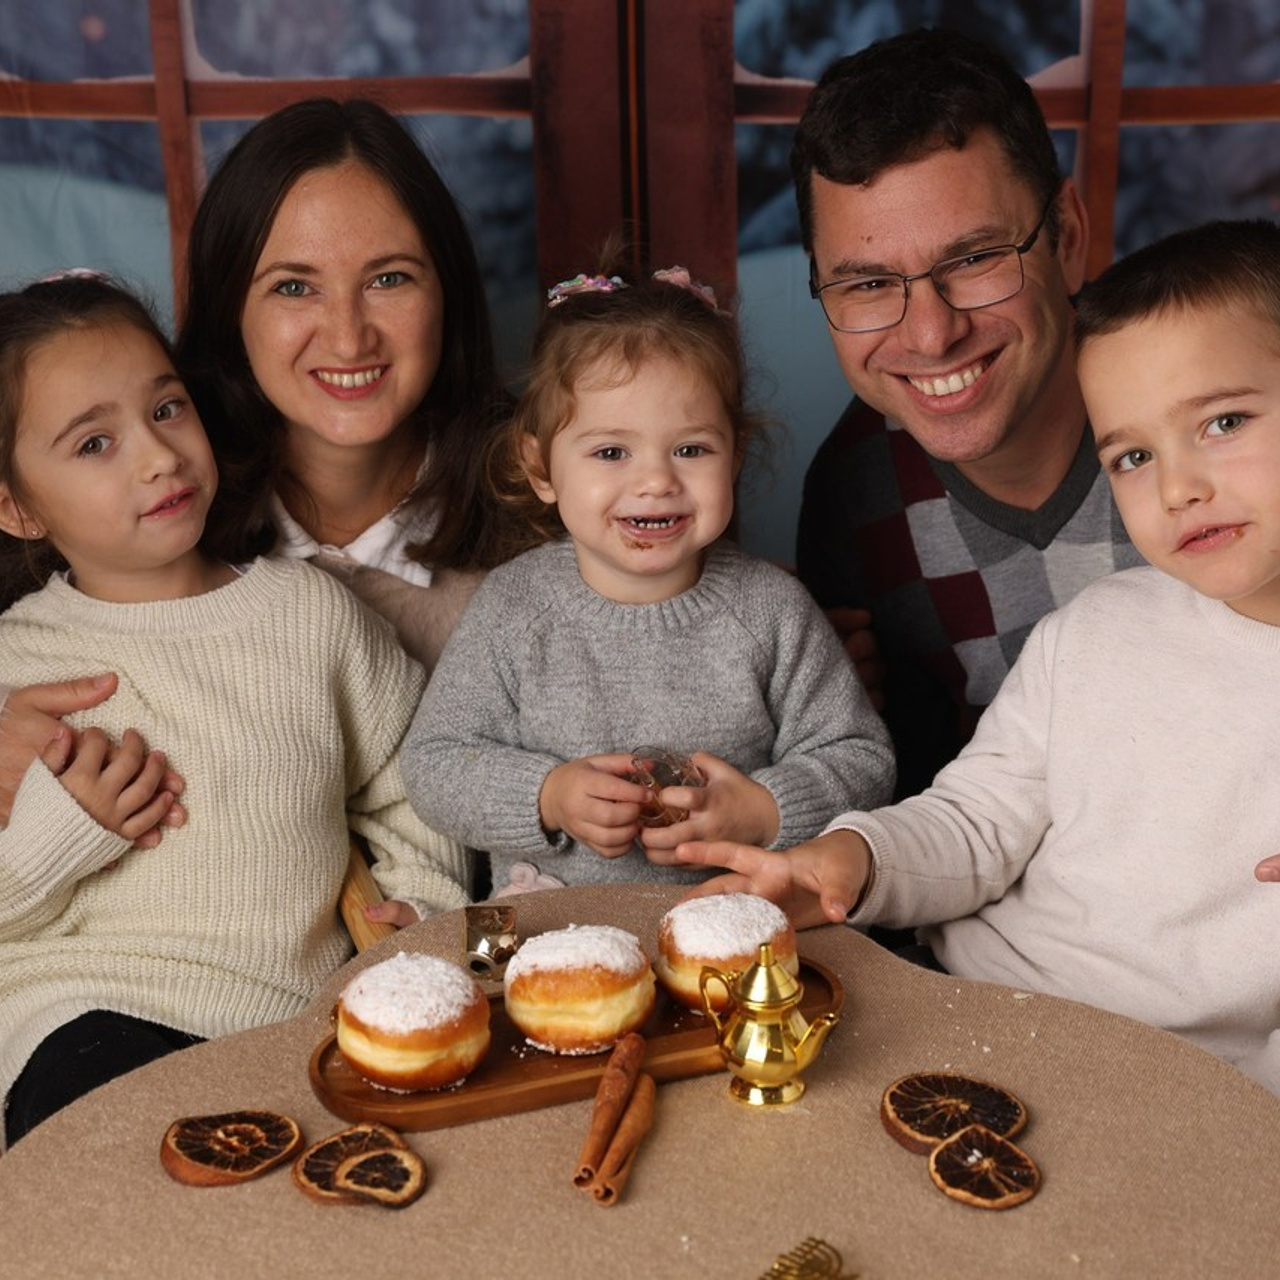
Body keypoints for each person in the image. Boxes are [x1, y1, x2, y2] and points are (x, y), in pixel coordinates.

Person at [674, 219, 1280, 1096]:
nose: (1178, 487)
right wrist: (849, 860)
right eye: (1133, 455)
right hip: (977, 1007)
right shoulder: (1095, 634)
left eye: (1224, 422)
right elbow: (976, 822)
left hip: (1190, 1085)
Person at [0, 275, 469, 1148]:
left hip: (285, 1024)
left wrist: (420, 907)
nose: (157, 456)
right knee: (113, 1150)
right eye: (96, 443)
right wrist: (54, 835)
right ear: (17, 506)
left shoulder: (309, 616)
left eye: (167, 409)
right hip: (80, 1013)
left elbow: (411, 776)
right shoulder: (15, 665)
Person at [0, 97, 514, 826]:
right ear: (229, 309)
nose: (346, 337)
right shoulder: (147, 512)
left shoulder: (564, 506)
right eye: (294, 287)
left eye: (389, 278)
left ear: (447, 294)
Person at [401, 266, 894, 894]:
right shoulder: (513, 606)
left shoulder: (771, 610)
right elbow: (434, 765)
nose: (656, 481)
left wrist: (763, 811)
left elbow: (863, 758)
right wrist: (547, 796)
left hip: (729, 929)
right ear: (540, 466)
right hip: (552, 940)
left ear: (736, 456)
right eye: (611, 452)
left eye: (691, 449)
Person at [792, 29, 1142, 796]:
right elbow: (907, 796)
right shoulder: (854, 489)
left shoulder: (1203, 415)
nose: (931, 333)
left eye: (976, 258)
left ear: (1069, 238)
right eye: (868, 284)